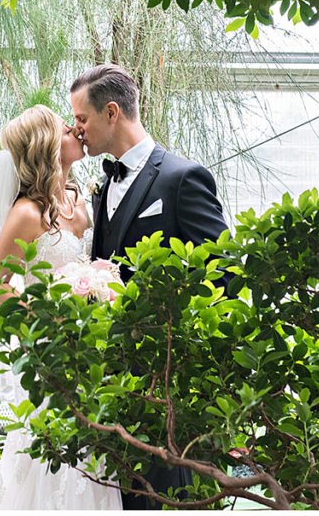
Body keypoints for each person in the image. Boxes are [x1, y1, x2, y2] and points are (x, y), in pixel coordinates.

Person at [69, 64, 230, 510]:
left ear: (113, 112)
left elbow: (224, 274)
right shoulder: (102, 187)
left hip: (165, 390)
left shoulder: (182, 179)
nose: (77, 130)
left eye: (82, 119)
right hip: (111, 396)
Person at [0, 104, 122, 511]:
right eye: (68, 129)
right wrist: (47, 315)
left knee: (95, 453)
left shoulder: (81, 200)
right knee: (54, 460)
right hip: (51, 359)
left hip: (94, 356)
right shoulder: (26, 214)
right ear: (49, 145)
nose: (77, 132)